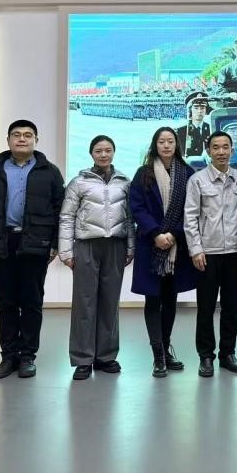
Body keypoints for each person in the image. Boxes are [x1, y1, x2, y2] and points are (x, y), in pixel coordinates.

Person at [0, 119, 64, 380]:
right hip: (1, 242)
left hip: (35, 243)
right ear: (8, 140)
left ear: (36, 140)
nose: (22, 139)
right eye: (16, 135)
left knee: (32, 302)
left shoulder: (50, 172)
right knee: (6, 303)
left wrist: (55, 244)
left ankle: (27, 356)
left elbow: (61, 211)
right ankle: (9, 356)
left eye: (27, 135)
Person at [58, 135, 135, 381]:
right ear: (91, 153)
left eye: (108, 150)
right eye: (99, 151)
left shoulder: (124, 182)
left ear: (113, 152)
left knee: (110, 302)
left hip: (115, 246)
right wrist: (66, 251)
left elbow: (130, 219)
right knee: (85, 303)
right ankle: (82, 359)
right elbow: (67, 217)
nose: (103, 154)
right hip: (86, 246)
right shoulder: (78, 182)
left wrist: (130, 247)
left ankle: (106, 356)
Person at [129, 127, 199, 377]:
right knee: (153, 299)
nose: (166, 145)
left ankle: (166, 349)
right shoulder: (144, 173)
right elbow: (136, 207)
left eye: (170, 141)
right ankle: (157, 354)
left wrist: (173, 234)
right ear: (155, 145)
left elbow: (192, 209)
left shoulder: (188, 173)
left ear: (176, 145)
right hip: (151, 245)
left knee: (170, 300)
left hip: (176, 246)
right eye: (162, 141)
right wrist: (156, 234)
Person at [184, 131, 237, 378]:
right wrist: (196, 249)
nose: (221, 152)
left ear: (232, 150)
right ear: (208, 151)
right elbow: (190, 217)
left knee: (231, 307)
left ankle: (228, 353)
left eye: (225, 147)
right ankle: (206, 356)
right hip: (207, 254)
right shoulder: (197, 180)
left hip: (234, 253)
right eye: (216, 147)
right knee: (206, 307)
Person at [176, 91, 212, 158]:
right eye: (196, 108)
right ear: (190, 110)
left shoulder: (212, 129)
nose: (199, 111)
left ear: (206, 110)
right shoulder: (181, 131)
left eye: (202, 108)